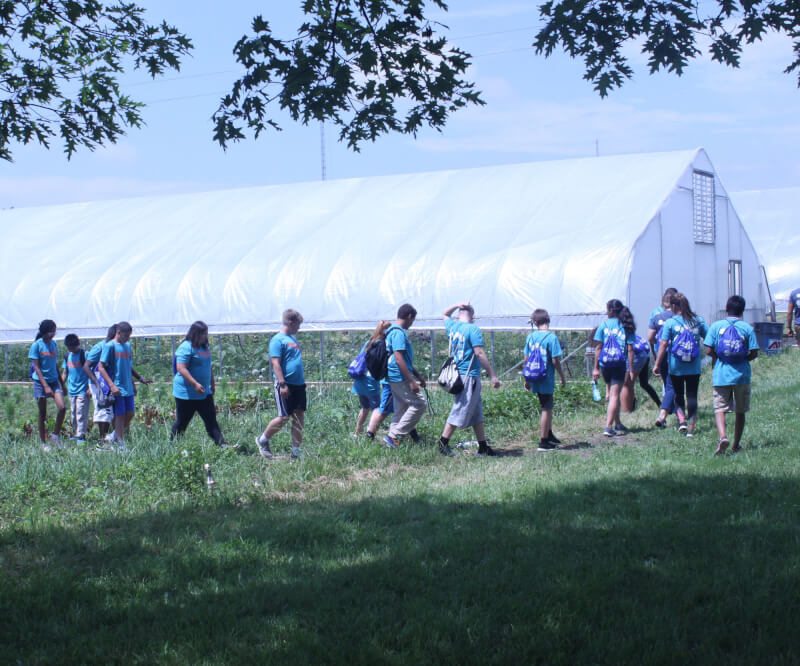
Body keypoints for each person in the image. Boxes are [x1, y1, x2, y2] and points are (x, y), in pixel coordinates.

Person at [437, 302, 501, 457]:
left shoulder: (453, 327)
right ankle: (442, 443)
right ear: (473, 316)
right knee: (460, 408)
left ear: (459, 315)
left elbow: (445, 314)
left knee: (476, 411)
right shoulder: (473, 329)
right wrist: (492, 375)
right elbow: (479, 353)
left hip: (457, 374)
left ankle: (483, 446)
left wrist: (458, 304)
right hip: (469, 376)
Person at [704, 295, 759, 454]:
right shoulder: (747, 328)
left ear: (726, 309)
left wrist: (720, 358)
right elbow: (754, 352)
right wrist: (743, 359)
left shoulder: (716, 326)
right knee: (740, 410)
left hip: (721, 374)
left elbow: (708, 349)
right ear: (742, 311)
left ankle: (722, 437)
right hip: (741, 375)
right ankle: (736, 444)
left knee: (720, 408)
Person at [654, 293, 708, 437]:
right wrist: (712, 357)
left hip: (675, 366)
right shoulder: (698, 321)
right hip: (694, 366)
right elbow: (708, 340)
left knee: (678, 395)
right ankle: (691, 427)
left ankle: (682, 421)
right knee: (692, 395)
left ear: (673, 306)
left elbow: (663, 344)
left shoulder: (671, 323)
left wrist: (657, 364)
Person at [255, 309, 306, 460]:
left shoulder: (293, 339)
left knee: (299, 416)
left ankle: (296, 450)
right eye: (298, 325)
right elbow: (275, 363)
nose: (299, 328)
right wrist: (282, 383)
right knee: (284, 417)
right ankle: (262, 440)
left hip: (299, 384)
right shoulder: (277, 340)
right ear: (290, 323)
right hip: (286, 384)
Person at [171, 321, 230, 447]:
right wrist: (195, 384)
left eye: (206, 334)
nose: (205, 337)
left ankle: (222, 445)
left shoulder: (205, 347)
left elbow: (208, 366)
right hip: (186, 393)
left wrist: (212, 383)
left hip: (204, 392)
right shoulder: (186, 347)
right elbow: (181, 368)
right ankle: (173, 445)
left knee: (211, 419)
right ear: (194, 334)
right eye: (202, 334)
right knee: (183, 421)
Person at [97, 321, 151, 452]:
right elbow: (100, 367)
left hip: (128, 386)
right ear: (118, 333)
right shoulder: (110, 346)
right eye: (126, 335)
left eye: (129, 336)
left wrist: (139, 379)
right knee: (120, 415)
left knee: (130, 413)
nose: (128, 338)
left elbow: (128, 365)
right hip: (118, 387)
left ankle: (114, 436)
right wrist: (112, 386)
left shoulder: (127, 345)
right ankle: (120, 444)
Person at [384, 303, 427, 449]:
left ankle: (392, 442)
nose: (412, 324)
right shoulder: (398, 333)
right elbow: (398, 358)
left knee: (401, 409)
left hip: (395, 376)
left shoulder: (392, 331)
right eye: (413, 320)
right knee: (420, 404)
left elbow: (405, 359)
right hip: (400, 377)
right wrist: (411, 381)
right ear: (409, 317)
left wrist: (418, 375)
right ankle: (394, 435)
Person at [524, 308, 567, 451]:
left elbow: (526, 358)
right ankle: (543, 441)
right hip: (546, 377)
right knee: (547, 408)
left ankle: (549, 435)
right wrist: (562, 376)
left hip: (534, 376)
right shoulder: (551, 338)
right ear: (548, 320)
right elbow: (555, 360)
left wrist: (527, 379)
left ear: (535, 322)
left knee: (545, 404)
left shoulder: (530, 337)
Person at [592, 300, 636, 437]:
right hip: (619, 364)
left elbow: (598, 348)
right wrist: (631, 369)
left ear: (610, 310)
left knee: (613, 395)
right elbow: (630, 349)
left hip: (605, 365)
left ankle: (618, 423)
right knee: (614, 396)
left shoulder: (603, 326)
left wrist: (596, 368)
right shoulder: (626, 325)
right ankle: (608, 426)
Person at [28, 319, 66, 451]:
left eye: (54, 331)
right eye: (51, 331)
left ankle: (55, 437)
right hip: (40, 382)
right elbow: (36, 368)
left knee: (62, 408)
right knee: (42, 413)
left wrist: (62, 384)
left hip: (54, 381)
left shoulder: (54, 344)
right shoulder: (37, 346)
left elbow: (55, 365)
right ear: (44, 332)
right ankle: (43, 443)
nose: (53, 334)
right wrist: (45, 386)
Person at [353, 322, 389, 437]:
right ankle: (371, 432)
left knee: (365, 407)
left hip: (360, 380)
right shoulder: (382, 344)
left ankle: (357, 432)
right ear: (385, 331)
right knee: (377, 408)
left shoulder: (369, 342)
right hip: (371, 382)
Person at [648, 288, 678, 427]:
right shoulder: (679, 317)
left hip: (661, 353)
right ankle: (665, 415)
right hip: (677, 354)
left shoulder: (657, 316)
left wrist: (657, 348)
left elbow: (650, 337)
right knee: (674, 386)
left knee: (668, 384)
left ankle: (674, 412)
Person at [61, 333, 98, 443]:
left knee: (81, 413)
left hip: (83, 389)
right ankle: (76, 432)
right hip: (72, 390)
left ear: (78, 344)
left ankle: (81, 436)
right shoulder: (67, 356)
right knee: (73, 413)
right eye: (69, 347)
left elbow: (92, 371)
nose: (71, 349)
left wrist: (90, 387)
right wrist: (60, 385)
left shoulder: (85, 355)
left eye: (73, 347)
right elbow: (65, 372)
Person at [86, 325, 117, 440]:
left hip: (109, 381)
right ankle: (102, 438)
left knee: (110, 410)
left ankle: (109, 437)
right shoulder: (99, 347)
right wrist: (96, 383)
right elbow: (86, 366)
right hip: (98, 382)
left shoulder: (116, 347)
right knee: (103, 409)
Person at [621, 335, 661, 413]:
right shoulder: (632, 334)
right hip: (645, 354)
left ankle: (628, 409)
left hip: (637, 355)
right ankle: (659, 404)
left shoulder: (621, 335)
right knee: (644, 383)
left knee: (627, 385)